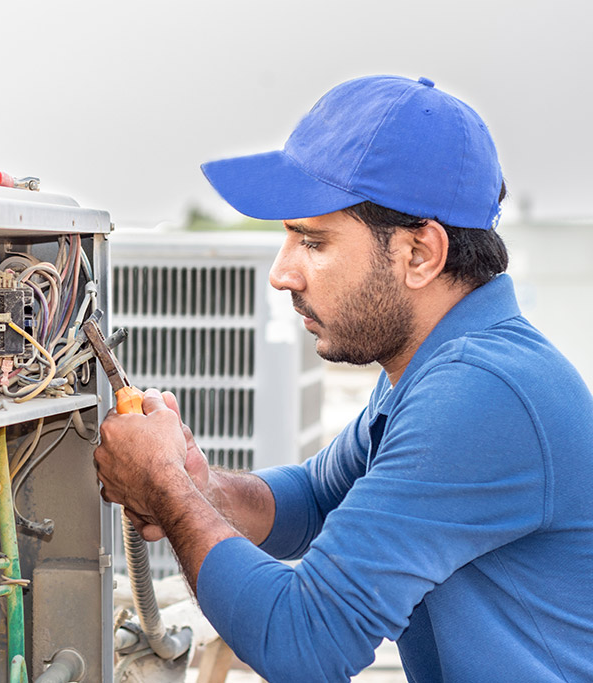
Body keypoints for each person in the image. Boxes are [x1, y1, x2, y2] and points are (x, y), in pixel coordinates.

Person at [94, 75, 593, 682]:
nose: (282, 275)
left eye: (313, 240)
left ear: (419, 254)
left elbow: (302, 643)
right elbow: (317, 500)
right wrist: (203, 488)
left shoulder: (480, 391)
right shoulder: (432, 363)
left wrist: (165, 487)